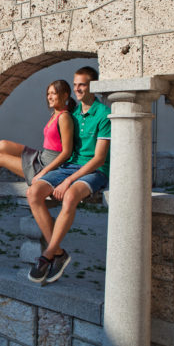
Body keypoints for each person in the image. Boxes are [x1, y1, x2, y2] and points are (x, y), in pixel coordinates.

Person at [26, 66, 110, 284]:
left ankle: (47, 255)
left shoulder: (104, 114)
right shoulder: (72, 114)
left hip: (94, 170)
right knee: (34, 192)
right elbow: (65, 149)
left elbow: (99, 159)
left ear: (93, 86)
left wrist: (69, 181)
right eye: (75, 85)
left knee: (70, 195)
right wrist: (50, 173)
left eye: (82, 84)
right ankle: (59, 253)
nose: (77, 89)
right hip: (70, 166)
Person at [0, 79, 76, 193]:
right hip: (41, 157)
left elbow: (66, 152)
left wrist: (44, 172)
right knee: (3, 145)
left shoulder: (64, 117)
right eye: (48, 93)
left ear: (65, 95)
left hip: (47, 166)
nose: (49, 97)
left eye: (53, 93)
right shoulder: (55, 114)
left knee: (1, 158)